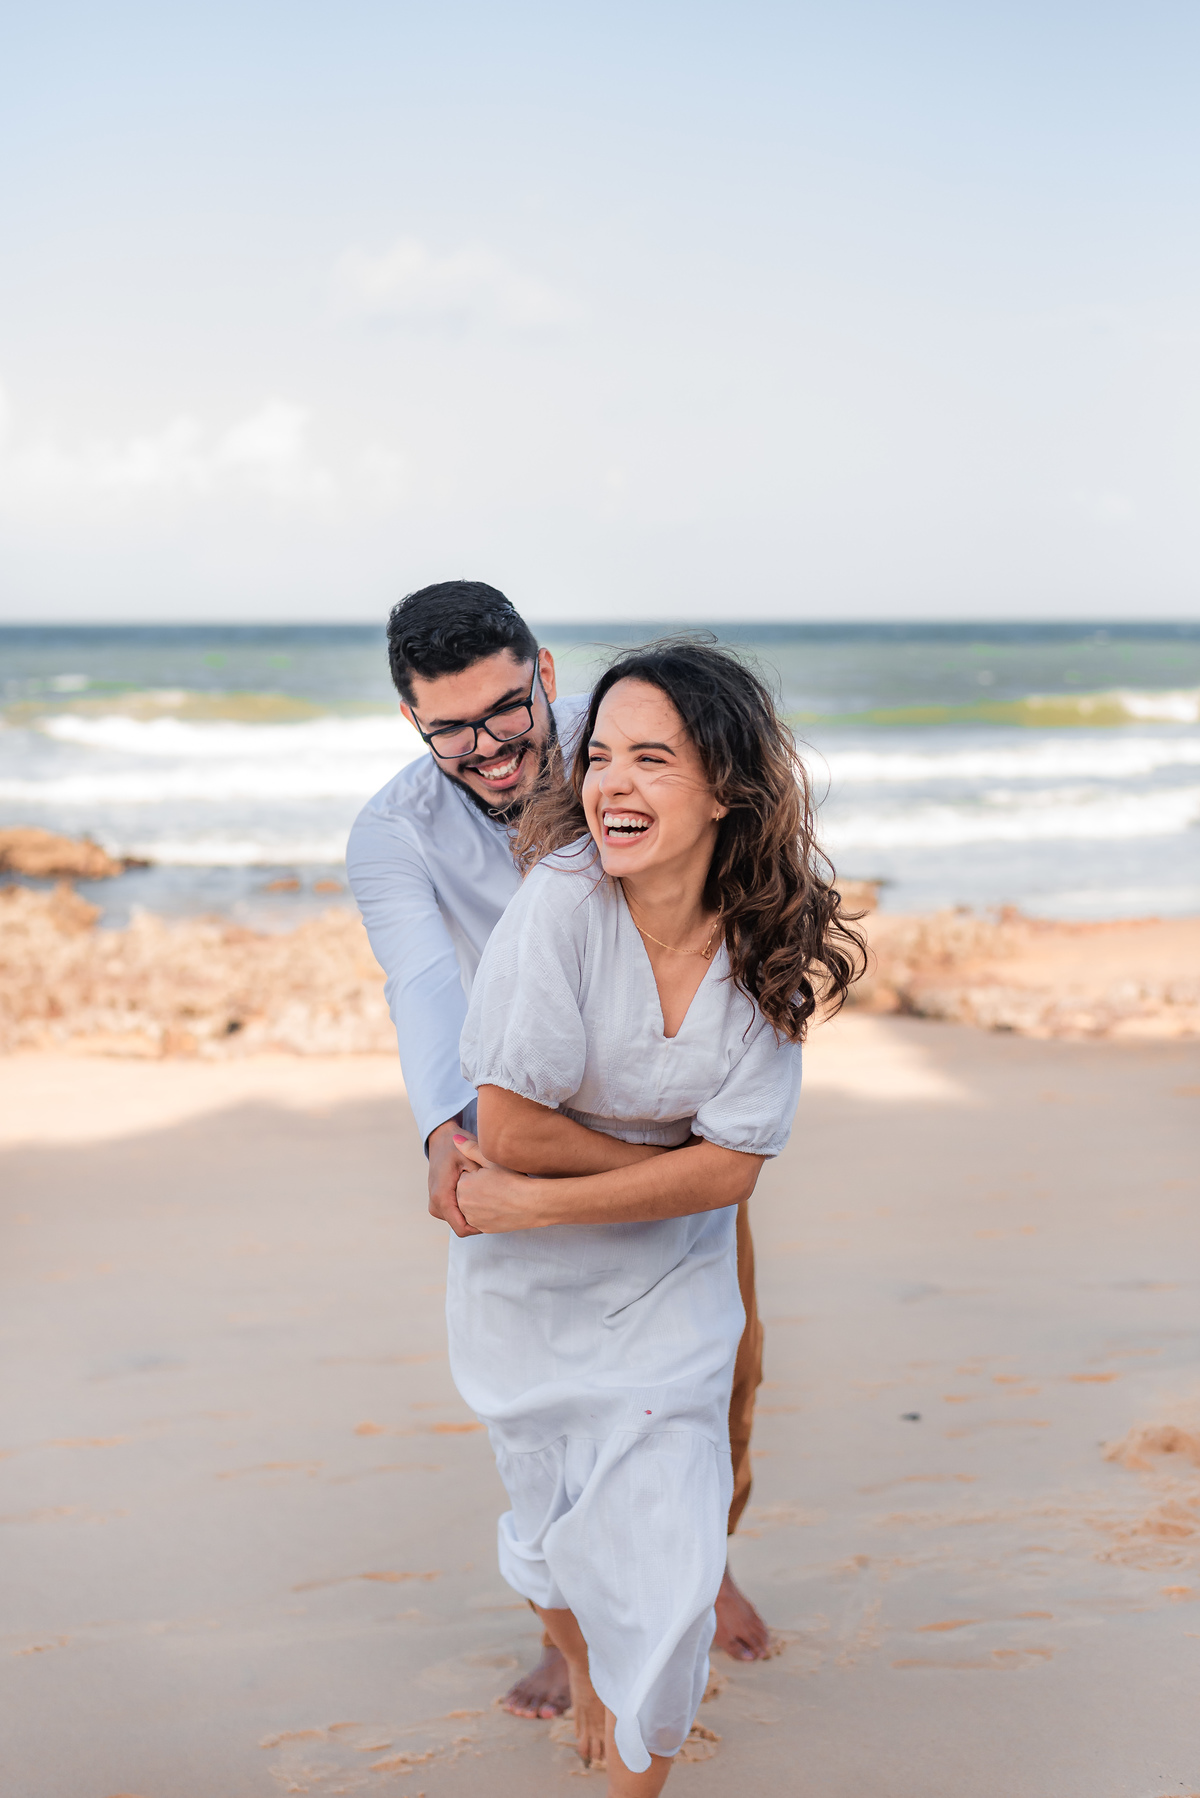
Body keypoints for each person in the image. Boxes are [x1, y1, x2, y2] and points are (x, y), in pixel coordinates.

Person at [347, 582, 773, 1718]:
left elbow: (739, 843)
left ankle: (697, 1558)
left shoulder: (626, 740)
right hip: (527, 1111)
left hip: (672, 1099)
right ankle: (571, 1629)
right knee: (542, 1403)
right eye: (452, 729)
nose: (488, 748)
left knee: (724, 1381)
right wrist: (446, 1130)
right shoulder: (394, 833)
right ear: (412, 722)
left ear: (543, 668)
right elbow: (425, 985)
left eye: (506, 711)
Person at [448, 640, 865, 1790]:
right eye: (598, 757)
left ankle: (640, 1753)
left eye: (652, 758)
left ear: (725, 784)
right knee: (546, 1540)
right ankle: (579, 1661)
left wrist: (536, 1197)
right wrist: (659, 1163)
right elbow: (510, 1125)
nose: (610, 784)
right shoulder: (561, 905)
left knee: (677, 1587)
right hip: (525, 1295)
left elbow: (730, 1177)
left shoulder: (770, 937)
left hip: (673, 1287)